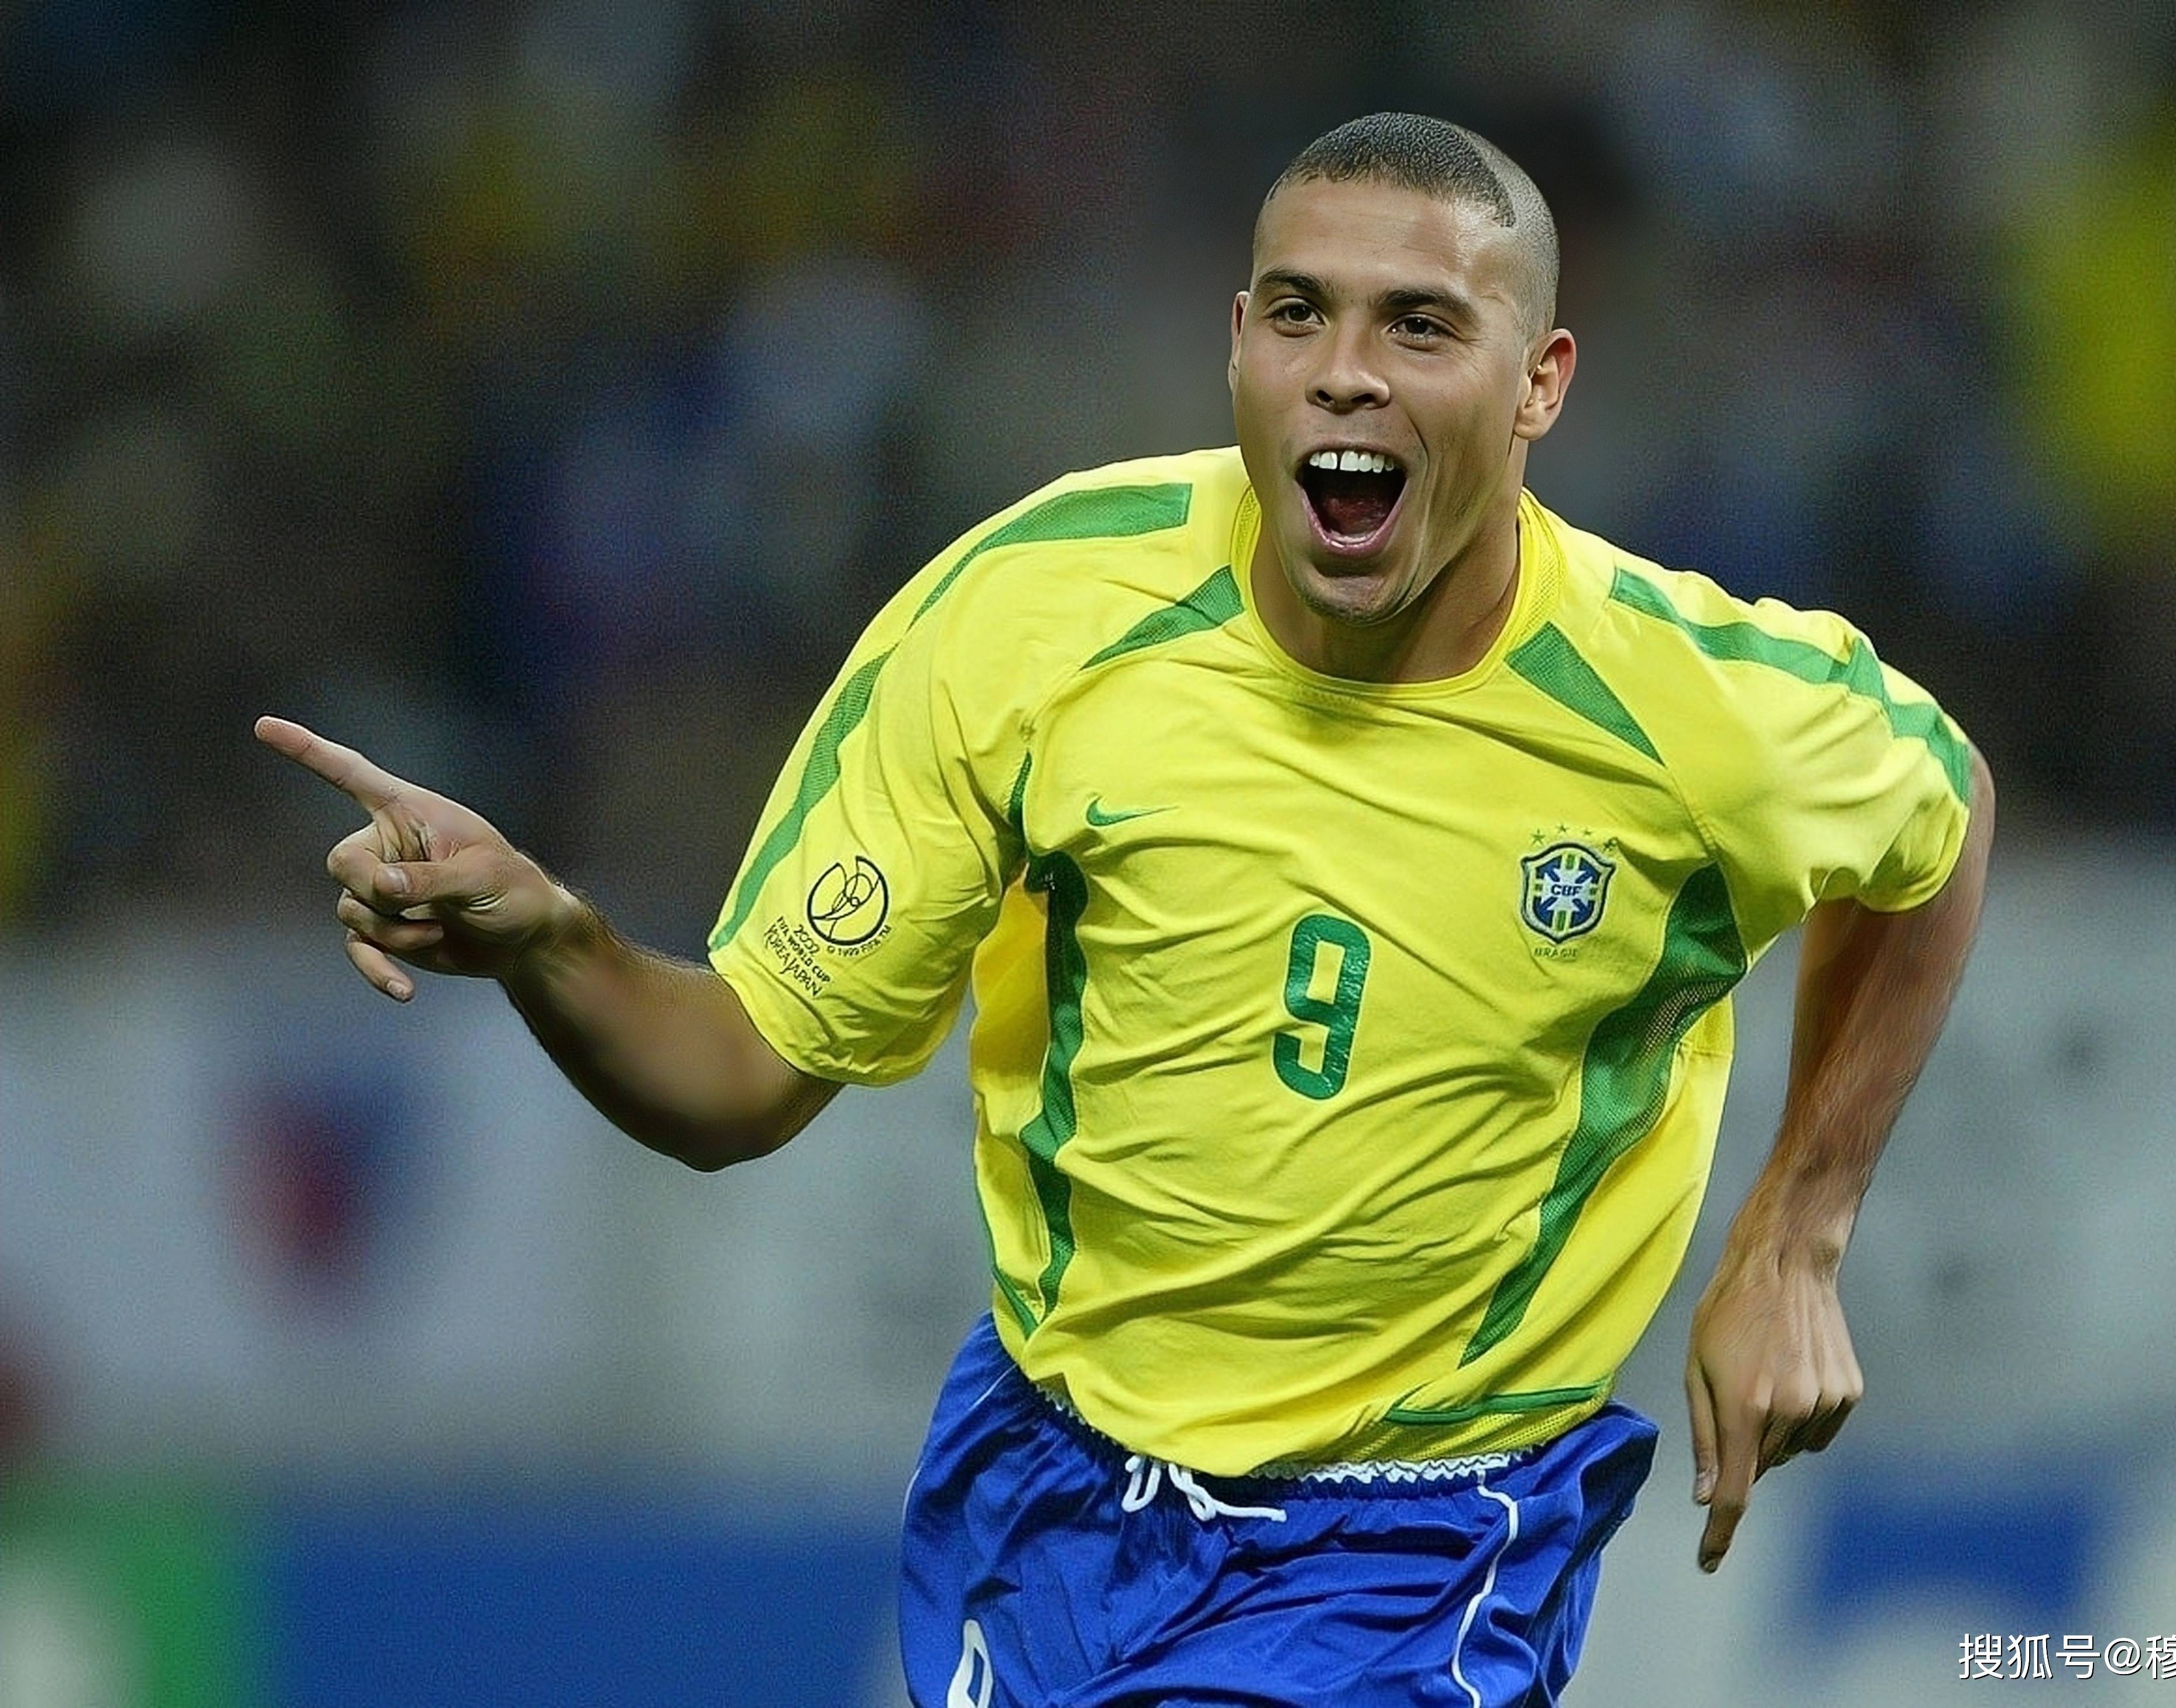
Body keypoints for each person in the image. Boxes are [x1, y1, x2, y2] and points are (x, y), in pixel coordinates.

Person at [260, 112, 1993, 1706]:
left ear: (1539, 384)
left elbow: (1941, 816)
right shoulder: (1036, 616)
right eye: (1300, 316)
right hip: (1045, 1498)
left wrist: (1798, 1227)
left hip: (1425, 1536)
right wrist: (551, 942)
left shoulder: (1684, 707)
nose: (1346, 374)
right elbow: (741, 1078)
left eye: (1419, 327)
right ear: (1237, 342)